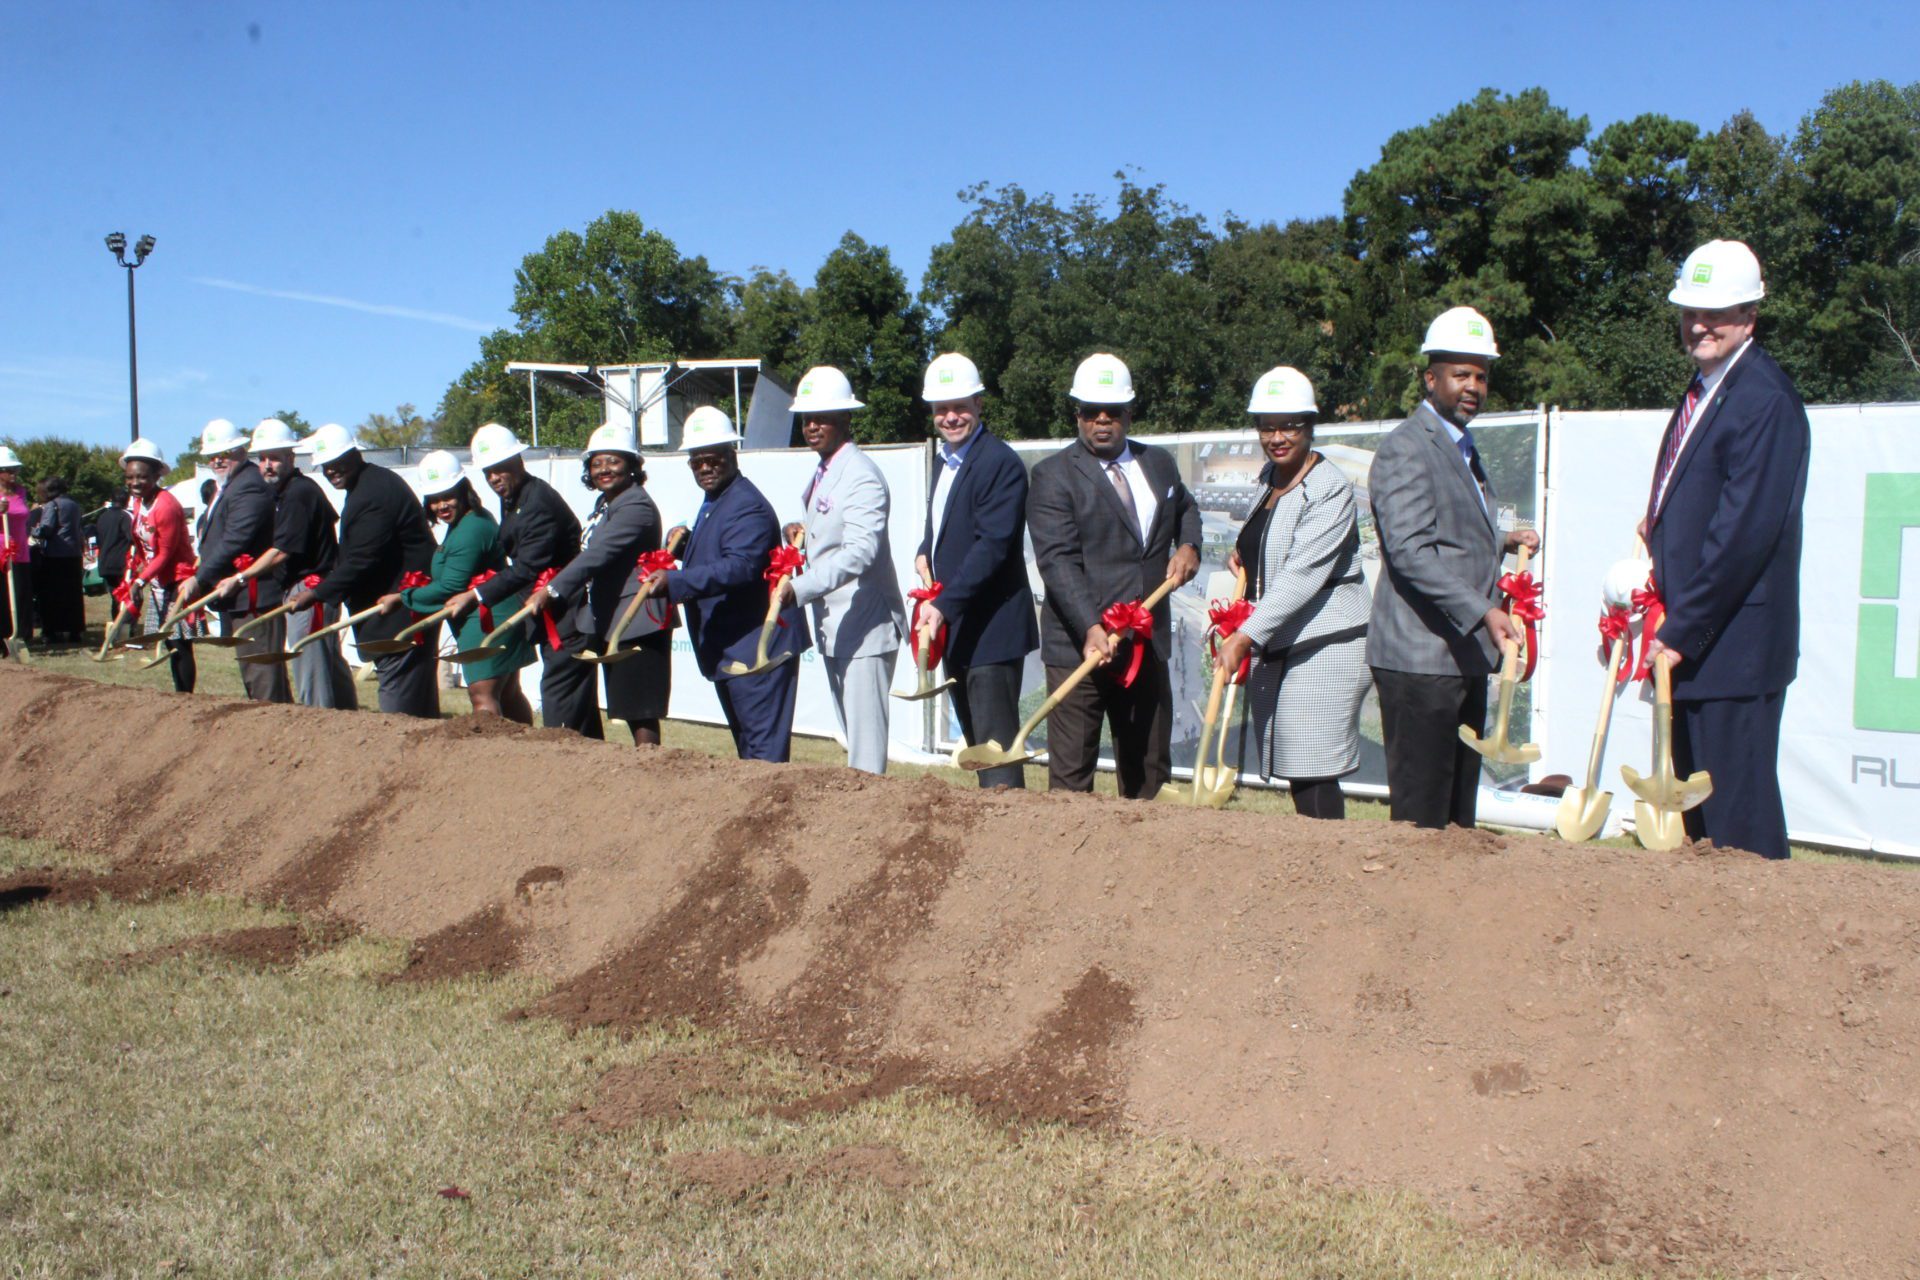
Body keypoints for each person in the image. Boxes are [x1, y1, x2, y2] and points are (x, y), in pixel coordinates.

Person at [1640, 240, 1808, 859]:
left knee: (1738, 825)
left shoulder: (1762, 398)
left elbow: (1743, 533)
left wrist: (1682, 627)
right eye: (1689, 310)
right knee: (1702, 829)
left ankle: (1767, 952)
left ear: (1751, 315)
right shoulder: (1708, 387)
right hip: (1702, 647)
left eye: (1717, 311)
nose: (1700, 324)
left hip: (1730, 648)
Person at [1366, 307, 1541, 830]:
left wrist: (1505, 539)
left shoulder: (1461, 446)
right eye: (1460, 374)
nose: (1472, 386)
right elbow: (1410, 551)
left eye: (1482, 376)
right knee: (1423, 818)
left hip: (1457, 655)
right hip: (1421, 660)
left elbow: (1448, 530)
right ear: (1431, 378)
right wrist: (1484, 610)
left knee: (1456, 817)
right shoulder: (1406, 447)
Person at [1026, 352, 1201, 798]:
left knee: (1147, 776)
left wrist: (1188, 545)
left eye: (1113, 412)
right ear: (1076, 413)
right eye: (1090, 411)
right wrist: (1091, 625)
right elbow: (1058, 561)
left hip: (1145, 643)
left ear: (1129, 412)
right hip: (1080, 648)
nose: (1101, 421)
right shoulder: (1052, 476)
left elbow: (1185, 508)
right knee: (1070, 781)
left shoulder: (1158, 463)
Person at [1214, 368, 1373, 819]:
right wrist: (1246, 553)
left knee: (1313, 763)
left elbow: (1303, 572)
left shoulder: (1330, 487)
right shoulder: (1271, 476)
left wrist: (1244, 637)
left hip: (1328, 640)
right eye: (1267, 426)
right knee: (1298, 763)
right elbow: (1272, 538)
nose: (1277, 436)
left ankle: (1327, 869)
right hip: (1290, 636)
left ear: (1310, 426)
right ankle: (1313, 867)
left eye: (1290, 426)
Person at [646, 407, 810, 762]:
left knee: (763, 758)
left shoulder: (745, 504)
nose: (705, 467)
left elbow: (742, 566)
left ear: (732, 455)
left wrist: (677, 580)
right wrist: (687, 547)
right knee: (749, 753)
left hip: (758, 650)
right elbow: (726, 554)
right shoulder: (718, 500)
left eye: (713, 458)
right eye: (696, 461)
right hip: (736, 651)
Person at [912, 353, 1038, 789]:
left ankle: (1009, 837)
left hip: (993, 631)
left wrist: (943, 605)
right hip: (962, 628)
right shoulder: (945, 460)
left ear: (980, 403)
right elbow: (947, 523)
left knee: (995, 753)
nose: (951, 417)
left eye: (960, 406)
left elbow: (993, 545)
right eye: (941, 409)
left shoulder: (998, 462)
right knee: (976, 750)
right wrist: (925, 548)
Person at [774, 366, 906, 775]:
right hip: (839, 628)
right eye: (807, 418)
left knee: (865, 758)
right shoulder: (825, 470)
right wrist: (801, 533)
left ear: (847, 417)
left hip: (866, 627)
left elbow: (860, 552)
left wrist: (801, 587)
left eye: (823, 416)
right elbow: (831, 535)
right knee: (854, 745)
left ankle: (872, 830)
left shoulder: (861, 474)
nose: (812, 426)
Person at [285, 425, 439, 718]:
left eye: (338, 461)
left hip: (399, 615)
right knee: (418, 708)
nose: (331, 471)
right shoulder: (368, 485)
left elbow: (361, 559)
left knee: (399, 714)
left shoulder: (372, 494)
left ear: (355, 453)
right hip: (397, 612)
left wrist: (316, 594)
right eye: (326, 466)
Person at [440, 423, 583, 733]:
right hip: (543, 609)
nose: (493, 478)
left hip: (564, 612)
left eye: (499, 469)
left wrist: (475, 595)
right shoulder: (516, 498)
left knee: (560, 701)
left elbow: (528, 567)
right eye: (487, 472)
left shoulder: (537, 503)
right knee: (561, 698)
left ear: (518, 461)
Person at [534, 422, 670, 744]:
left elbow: (598, 554)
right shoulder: (608, 504)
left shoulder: (635, 505)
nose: (604, 469)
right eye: (596, 463)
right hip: (613, 618)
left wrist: (553, 589)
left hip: (638, 620)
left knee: (640, 710)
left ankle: (652, 775)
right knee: (627, 706)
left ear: (633, 466)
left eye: (613, 461)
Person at [380, 451, 533, 723]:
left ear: (463, 490)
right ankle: (525, 754)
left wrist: (403, 597)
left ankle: (496, 757)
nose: (441, 505)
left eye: (447, 496)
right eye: (435, 499)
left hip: (487, 618)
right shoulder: (468, 521)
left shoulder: (470, 528)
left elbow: (450, 585)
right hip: (494, 612)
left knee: (482, 695)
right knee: (507, 693)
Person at [232, 419, 358, 709]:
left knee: (309, 664)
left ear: (291, 457)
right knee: (327, 661)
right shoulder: (291, 492)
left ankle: (319, 727)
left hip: (309, 589)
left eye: (274, 458)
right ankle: (349, 723)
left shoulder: (298, 493)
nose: (267, 465)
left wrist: (241, 578)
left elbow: (281, 551)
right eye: (262, 458)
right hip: (312, 586)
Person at [180, 419, 290, 702]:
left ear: (241, 450)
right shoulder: (231, 484)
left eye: (225, 453)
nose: (218, 460)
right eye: (213, 455)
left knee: (263, 678)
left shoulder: (248, 486)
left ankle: (272, 735)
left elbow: (235, 539)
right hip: (240, 597)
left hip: (255, 597)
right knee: (257, 674)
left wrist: (200, 578)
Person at [121, 438, 197, 692]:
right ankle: (179, 692)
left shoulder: (165, 506)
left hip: (177, 579)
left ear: (156, 475)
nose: (134, 483)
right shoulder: (140, 502)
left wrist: (140, 581)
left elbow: (166, 552)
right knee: (168, 641)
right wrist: (139, 571)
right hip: (157, 579)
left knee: (179, 641)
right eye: (130, 477)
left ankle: (186, 695)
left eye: (141, 477)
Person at [29, 476, 85, 644]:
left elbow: (46, 530)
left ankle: (51, 631)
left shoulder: (52, 506)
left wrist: (30, 530)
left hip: (55, 555)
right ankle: (75, 631)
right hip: (73, 554)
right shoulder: (74, 505)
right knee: (73, 595)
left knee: (52, 596)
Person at [0, 446, 32, 652]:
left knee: (20, 594)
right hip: (1, 551)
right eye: (8, 470)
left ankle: (21, 636)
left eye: (15, 469)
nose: (13, 474)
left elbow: (24, 516)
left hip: (20, 551)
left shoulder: (21, 491)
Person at [94, 491, 134, 609]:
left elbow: (98, 539)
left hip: (104, 561)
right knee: (125, 596)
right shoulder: (124, 516)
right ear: (126, 502)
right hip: (120, 562)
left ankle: (116, 621)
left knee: (115, 596)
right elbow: (131, 538)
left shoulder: (102, 517)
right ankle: (123, 623)